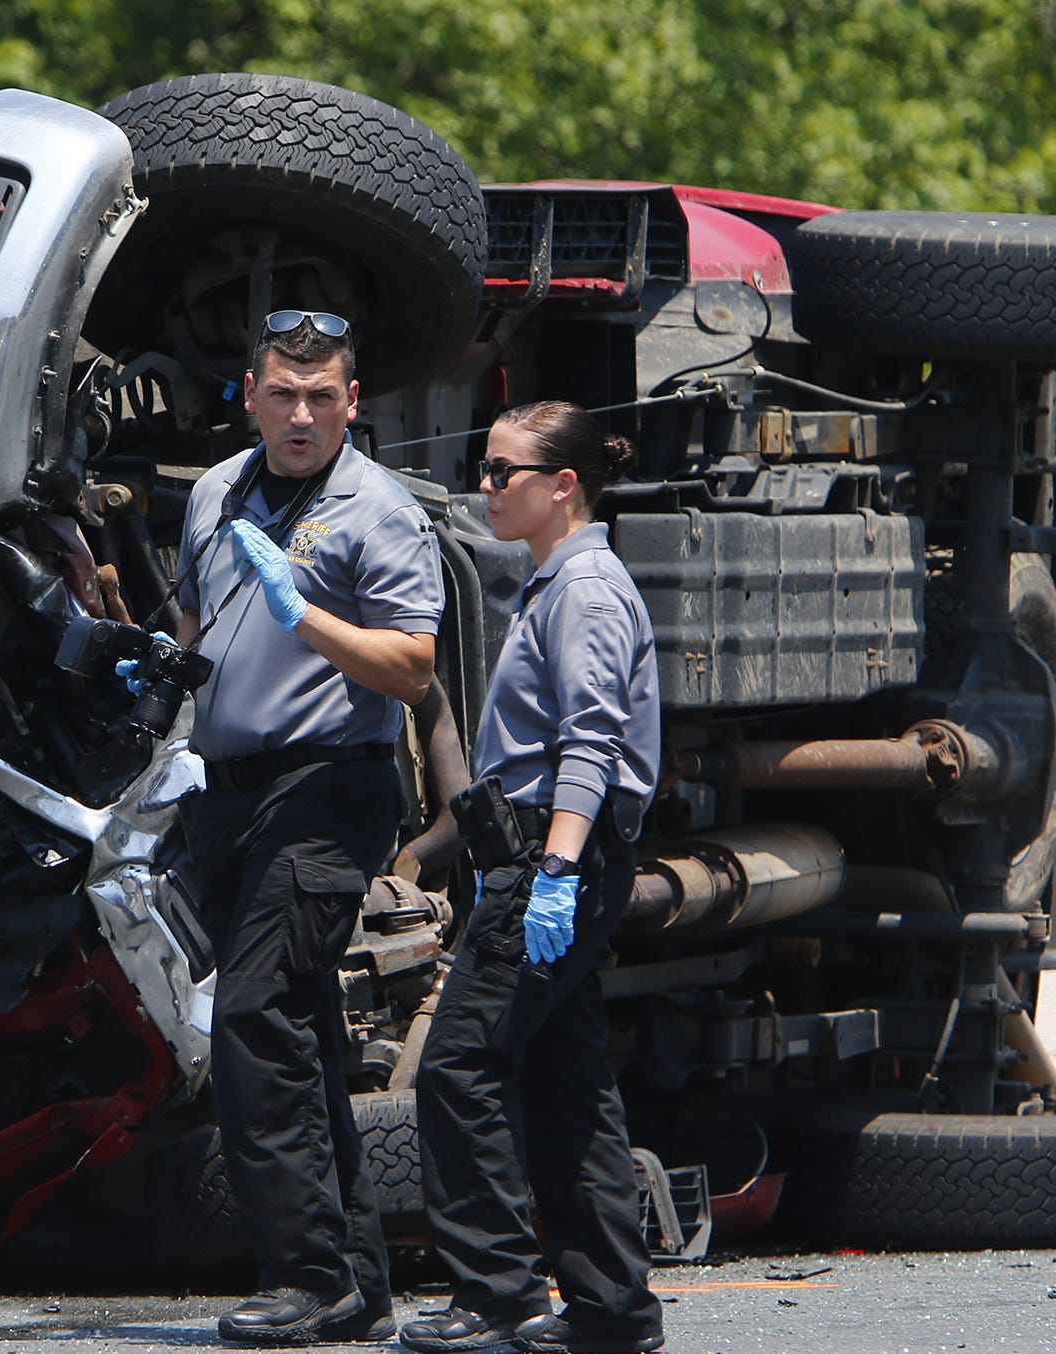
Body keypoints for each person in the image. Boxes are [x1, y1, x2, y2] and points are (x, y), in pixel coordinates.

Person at [173, 310, 443, 1345]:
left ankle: (304, 1272)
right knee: (297, 1028)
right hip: (228, 790)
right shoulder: (213, 492)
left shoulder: (377, 509)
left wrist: (305, 618)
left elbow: (413, 669)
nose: (300, 415)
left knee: (253, 1013)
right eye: (283, 395)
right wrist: (149, 660)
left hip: (330, 786)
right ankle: (360, 1284)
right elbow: (194, 628)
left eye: (321, 397)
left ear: (352, 403)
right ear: (249, 394)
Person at [405, 401, 667, 1354]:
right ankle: (610, 1313)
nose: (484, 488)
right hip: (545, 856)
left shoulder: (585, 590)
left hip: (550, 860)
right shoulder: (557, 580)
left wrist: (553, 869)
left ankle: (496, 1295)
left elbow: (589, 745)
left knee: (459, 1065)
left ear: (563, 487)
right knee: (568, 1085)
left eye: (501, 473)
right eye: (483, 468)